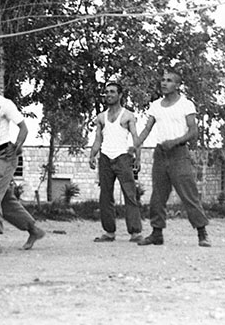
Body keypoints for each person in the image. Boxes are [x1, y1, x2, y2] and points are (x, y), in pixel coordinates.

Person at [133, 69, 210, 247]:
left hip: (179, 153)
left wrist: (175, 142)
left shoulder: (186, 104)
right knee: (158, 196)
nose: (164, 83)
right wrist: (135, 144)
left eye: (169, 80)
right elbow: (147, 128)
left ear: (177, 85)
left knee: (188, 194)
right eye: (163, 80)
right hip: (160, 153)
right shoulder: (155, 105)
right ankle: (156, 233)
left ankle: (202, 233)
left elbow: (193, 131)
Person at [0, 90, 47, 254]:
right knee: (4, 200)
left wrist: (18, 144)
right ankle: (33, 230)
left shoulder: (3, 103)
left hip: (4, 155)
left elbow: (23, 128)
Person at [89, 81, 143, 243]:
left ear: (120, 95)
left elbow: (135, 138)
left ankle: (135, 232)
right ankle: (109, 232)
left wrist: (138, 158)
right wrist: (92, 155)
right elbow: (98, 139)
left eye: (112, 92)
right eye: (107, 92)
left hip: (123, 157)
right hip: (105, 157)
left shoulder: (128, 116)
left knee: (130, 194)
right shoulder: (101, 117)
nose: (109, 95)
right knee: (105, 196)